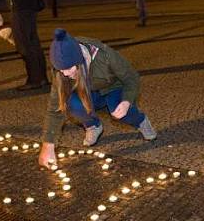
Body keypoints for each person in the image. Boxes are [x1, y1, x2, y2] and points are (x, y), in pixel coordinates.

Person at [37, 29, 157, 168]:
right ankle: (93, 125)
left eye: (68, 68)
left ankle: (140, 121)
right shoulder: (62, 70)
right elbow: (55, 108)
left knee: (120, 110)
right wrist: (48, 145)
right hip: (87, 93)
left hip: (112, 88)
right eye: (60, 70)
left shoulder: (105, 56)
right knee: (70, 104)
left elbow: (132, 78)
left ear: (79, 60)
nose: (65, 73)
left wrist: (127, 101)